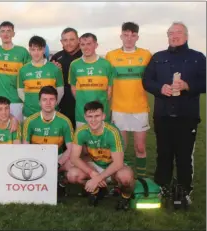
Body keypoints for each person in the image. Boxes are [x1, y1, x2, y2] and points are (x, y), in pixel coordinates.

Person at [142, 22, 206, 206]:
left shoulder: (198, 57)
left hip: (187, 116)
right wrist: (159, 88)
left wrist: (188, 86)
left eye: (178, 32)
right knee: (163, 154)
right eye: (170, 33)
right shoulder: (158, 57)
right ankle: (163, 186)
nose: (174, 36)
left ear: (186, 35)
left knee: (184, 156)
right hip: (162, 115)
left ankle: (185, 189)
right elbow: (147, 80)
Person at [105, 22, 152, 178]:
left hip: (140, 108)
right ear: (121, 36)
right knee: (121, 147)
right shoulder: (111, 56)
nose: (129, 38)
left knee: (140, 147)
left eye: (133, 35)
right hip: (119, 108)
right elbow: (107, 82)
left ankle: (142, 179)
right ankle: (122, 178)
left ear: (137, 37)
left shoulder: (146, 55)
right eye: (126, 34)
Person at [67, 101, 134, 210]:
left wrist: (98, 178)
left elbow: (118, 163)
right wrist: (92, 173)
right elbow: (74, 158)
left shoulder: (112, 132)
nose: (93, 120)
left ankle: (125, 197)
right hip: (95, 164)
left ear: (103, 116)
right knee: (72, 175)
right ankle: (96, 191)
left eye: (97, 116)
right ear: (85, 117)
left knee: (125, 177)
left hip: (112, 165)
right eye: (90, 116)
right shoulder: (81, 131)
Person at [22, 86, 74, 198]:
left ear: (56, 102)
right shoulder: (30, 121)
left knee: (73, 164)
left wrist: (58, 163)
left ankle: (61, 182)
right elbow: (25, 147)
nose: (48, 103)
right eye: (44, 100)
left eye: (51, 99)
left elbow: (70, 148)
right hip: (36, 158)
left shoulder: (65, 121)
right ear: (39, 102)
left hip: (57, 158)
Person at [69, 33, 114, 128]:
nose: (86, 47)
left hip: (102, 115)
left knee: (102, 142)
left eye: (89, 44)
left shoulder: (106, 64)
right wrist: (82, 100)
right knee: (82, 142)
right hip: (82, 115)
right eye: (82, 44)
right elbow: (73, 87)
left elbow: (109, 91)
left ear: (96, 45)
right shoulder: (74, 65)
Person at [0, 21, 31, 122]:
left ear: (13, 34)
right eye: (3, 31)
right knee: (1, 133)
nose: (6, 34)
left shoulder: (22, 52)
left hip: (17, 100)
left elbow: (31, 71)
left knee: (16, 131)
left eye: (9, 31)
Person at [18, 36, 64, 120]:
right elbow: (20, 90)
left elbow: (60, 90)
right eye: (33, 50)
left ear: (43, 49)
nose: (36, 53)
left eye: (39, 49)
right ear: (29, 50)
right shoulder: (23, 70)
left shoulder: (55, 69)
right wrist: (28, 102)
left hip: (50, 114)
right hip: (29, 114)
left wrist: (53, 104)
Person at [50, 27, 82, 129]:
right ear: (61, 41)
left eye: (72, 39)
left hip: (81, 100)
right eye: (65, 40)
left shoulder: (85, 55)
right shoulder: (56, 58)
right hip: (62, 102)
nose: (68, 43)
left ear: (78, 39)